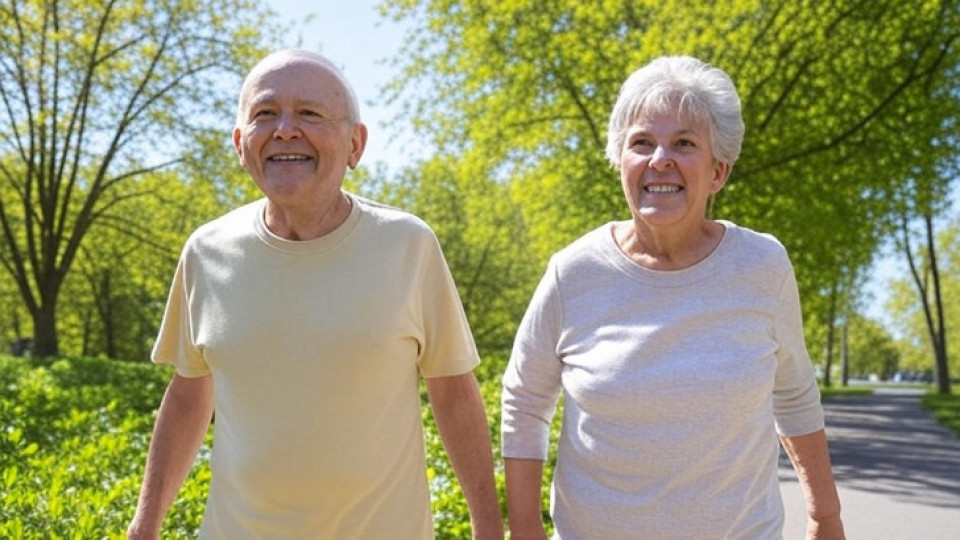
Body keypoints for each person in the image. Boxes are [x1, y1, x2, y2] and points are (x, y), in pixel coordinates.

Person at [128, 49, 503, 540]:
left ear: (355, 144)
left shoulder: (408, 245)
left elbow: (453, 393)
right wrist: (144, 525)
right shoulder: (206, 251)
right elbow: (188, 393)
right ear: (241, 144)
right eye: (265, 114)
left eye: (309, 113)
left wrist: (489, 529)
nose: (285, 129)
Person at [500, 56, 845, 540]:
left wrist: (825, 518)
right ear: (621, 161)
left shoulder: (762, 266)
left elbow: (793, 393)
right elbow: (524, 402)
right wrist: (525, 529)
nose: (660, 158)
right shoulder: (572, 272)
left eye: (684, 143)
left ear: (719, 172)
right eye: (641, 142)